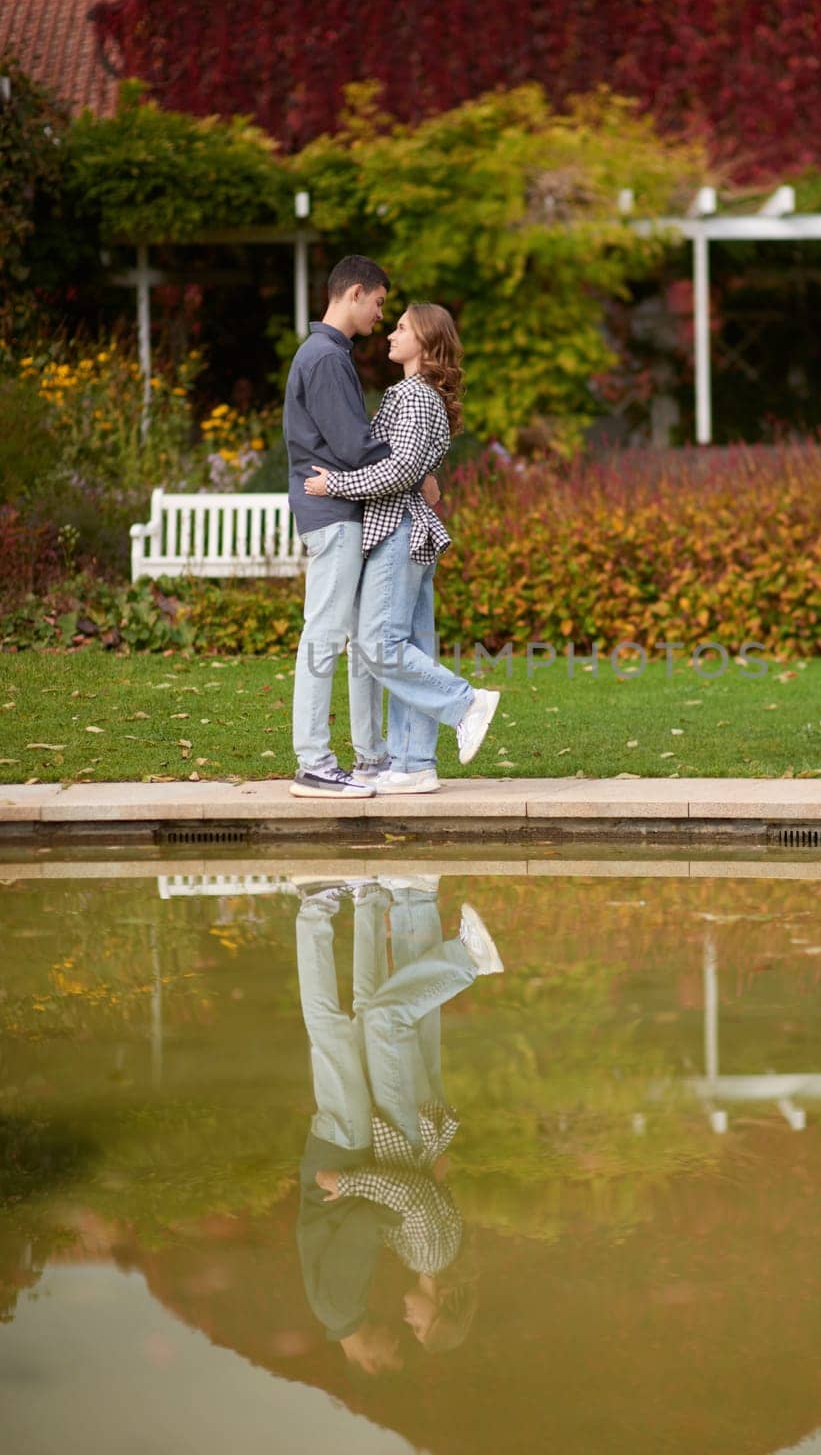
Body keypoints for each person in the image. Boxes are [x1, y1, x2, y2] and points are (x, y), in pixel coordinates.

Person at [294, 876, 501, 1370]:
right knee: (386, 1020)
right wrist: (350, 1182)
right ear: (444, 1307)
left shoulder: (435, 1256)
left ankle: (408, 899)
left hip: (419, 1136)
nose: (407, 1322)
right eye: (419, 1325)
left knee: (388, 1017)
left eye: (408, 1331)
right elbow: (413, 1196)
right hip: (402, 1136)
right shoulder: (429, 1258)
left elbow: (430, 1190)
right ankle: (466, 960)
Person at [304, 303, 498, 793]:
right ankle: (414, 763)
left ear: (426, 343)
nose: (391, 334)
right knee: (408, 646)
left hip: (398, 530)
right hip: (412, 527)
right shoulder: (420, 394)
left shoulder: (413, 395)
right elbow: (414, 470)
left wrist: (338, 486)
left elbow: (400, 471)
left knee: (377, 644)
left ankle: (466, 702)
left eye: (402, 328)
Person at [283, 255, 440, 800]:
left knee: (352, 641)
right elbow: (353, 445)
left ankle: (369, 758)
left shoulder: (330, 355)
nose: (380, 316)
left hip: (344, 513)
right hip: (332, 516)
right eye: (378, 304)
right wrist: (417, 473)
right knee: (325, 634)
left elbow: (353, 442)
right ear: (355, 293)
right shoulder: (325, 357)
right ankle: (313, 763)